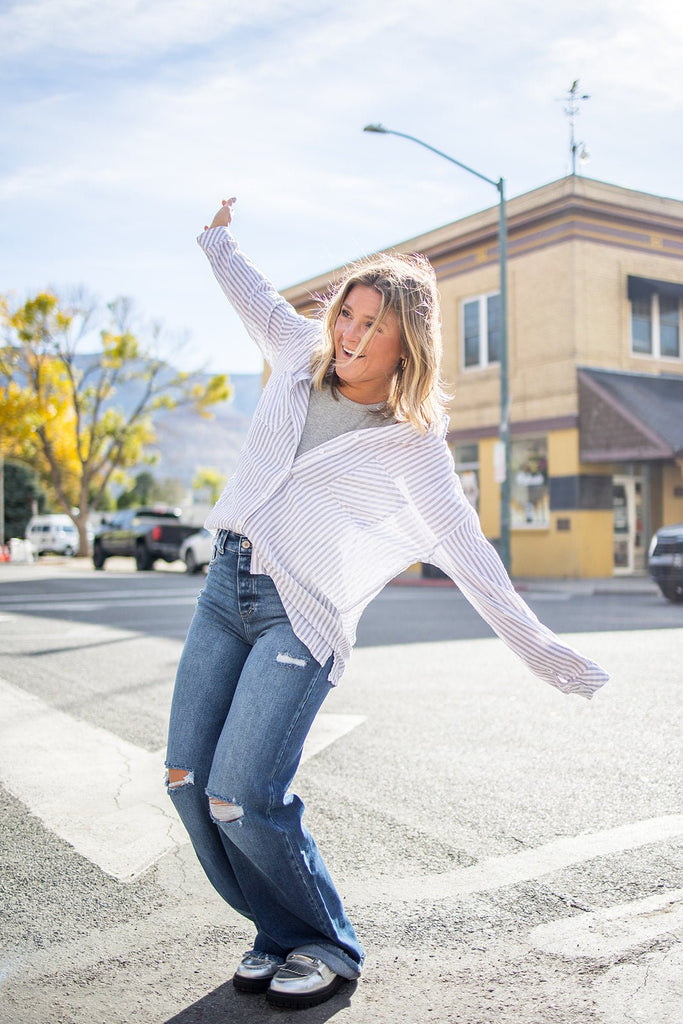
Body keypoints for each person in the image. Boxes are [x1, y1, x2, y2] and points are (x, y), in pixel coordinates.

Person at [165, 198, 609, 1011]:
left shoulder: (411, 444)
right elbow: (253, 293)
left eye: (374, 327)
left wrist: (546, 651)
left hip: (298, 618)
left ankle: (325, 944)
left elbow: (472, 557)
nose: (351, 336)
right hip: (223, 588)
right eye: (348, 316)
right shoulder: (297, 354)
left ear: (406, 345)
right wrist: (218, 236)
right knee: (188, 779)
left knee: (242, 792)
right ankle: (275, 932)